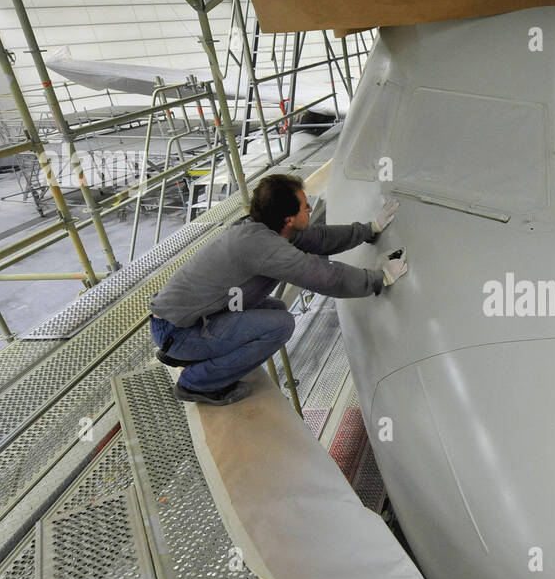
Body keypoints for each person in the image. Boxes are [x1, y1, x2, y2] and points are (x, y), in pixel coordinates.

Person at [149, 173, 408, 405]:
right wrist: (378, 279)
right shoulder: (260, 245)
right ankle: (196, 383)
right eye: (304, 206)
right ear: (288, 219)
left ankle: (192, 355)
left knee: (275, 308)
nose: (309, 208)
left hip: (183, 322)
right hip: (178, 332)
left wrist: (368, 230)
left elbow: (319, 238)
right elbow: (324, 277)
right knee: (280, 324)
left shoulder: (267, 229)